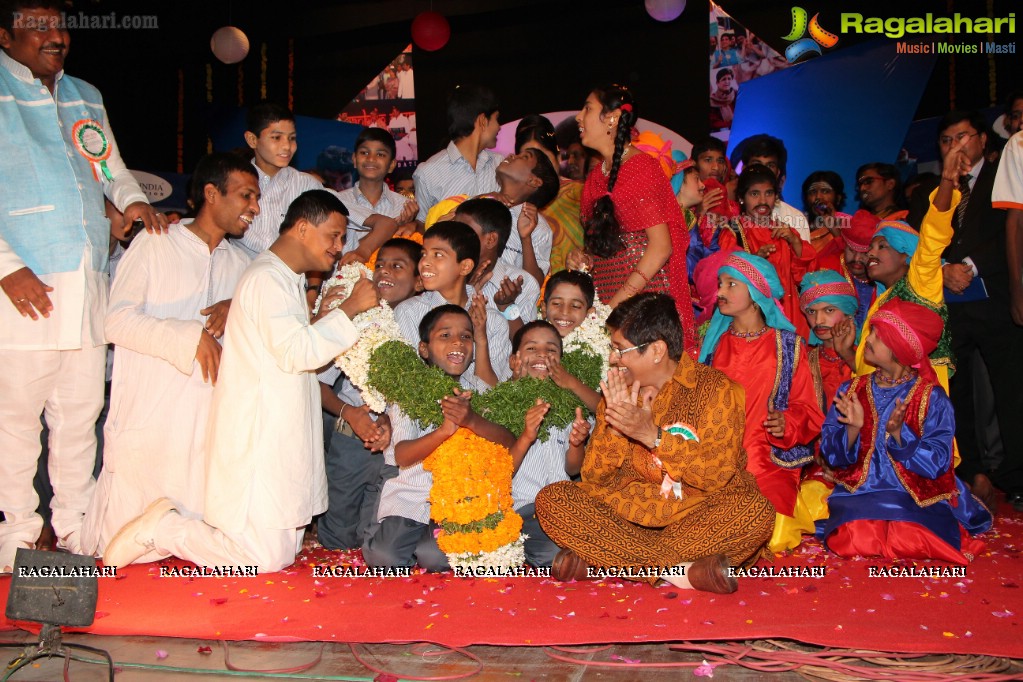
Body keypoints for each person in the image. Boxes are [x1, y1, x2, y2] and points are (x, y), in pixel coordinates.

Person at [103, 190, 379, 572]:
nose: (339, 247)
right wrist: (349, 310)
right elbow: (298, 352)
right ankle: (164, 529)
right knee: (264, 557)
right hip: (260, 436)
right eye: (333, 235)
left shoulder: (286, 278)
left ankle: (169, 528)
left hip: (279, 430)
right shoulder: (268, 278)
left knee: (282, 549)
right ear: (302, 229)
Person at [0, 0, 166, 573]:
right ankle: (17, 537)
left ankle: (75, 532)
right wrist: (6, 266)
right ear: (4, 35)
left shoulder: (83, 94)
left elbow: (110, 170)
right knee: (16, 419)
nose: (55, 37)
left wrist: (134, 202)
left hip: (88, 281)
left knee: (79, 412)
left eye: (59, 26)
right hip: (21, 287)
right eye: (37, 26)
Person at [81, 154, 259, 558]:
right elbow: (116, 322)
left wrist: (240, 307)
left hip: (209, 426)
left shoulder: (243, 266)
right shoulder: (155, 242)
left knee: (192, 545)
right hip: (151, 417)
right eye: (246, 195)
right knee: (122, 554)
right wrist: (188, 337)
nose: (255, 207)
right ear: (211, 194)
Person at [535, 293, 774, 592]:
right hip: (625, 515)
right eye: (612, 348)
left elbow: (716, 476)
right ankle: (683, 573)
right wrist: (618, 430)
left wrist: (653, 436)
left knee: (754, 512)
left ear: (657, 350)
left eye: (620, 349)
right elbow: (594, 477)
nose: (612, 358)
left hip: (694, 516)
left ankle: (609, 560)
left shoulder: (716, 390)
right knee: (553, 498)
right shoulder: (618, 392)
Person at [820, 299, 992, 562]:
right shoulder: (851, 390)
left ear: (898, 348)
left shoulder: (931, 398)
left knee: (909, 536)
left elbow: (937, 464)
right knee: (853, 537)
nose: (868, 338)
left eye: (877, 334)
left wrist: (901, 435)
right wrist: (853, 430)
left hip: (914, 493)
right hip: (862, 491)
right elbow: (832, 457)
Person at [362, 305, 514, 570]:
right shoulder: (410, 391)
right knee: (384, 559)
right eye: (445, 335)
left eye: (466, 336)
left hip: (462, 498)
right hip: (412, 492)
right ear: (424, 349)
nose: (457, 342)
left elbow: (508, 442)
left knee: (436, 557)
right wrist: (445, 431)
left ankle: (424, 545)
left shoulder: (478, 387)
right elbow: (402, 455)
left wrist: (471, 420)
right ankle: (386, 531)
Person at [699, 252, 823, 552]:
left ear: (756, 293)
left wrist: (787, 422)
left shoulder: (788, 345)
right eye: (720, 284)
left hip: (769, 460)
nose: (719, 292)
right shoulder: (713, 345)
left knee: (771, 533)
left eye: (731, 284)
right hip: (718, 461)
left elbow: (809, 410)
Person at [569, 84, 696, 355]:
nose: (579, 117)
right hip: (610, 301)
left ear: (612, 118)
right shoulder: (595, 177)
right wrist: (581, 257)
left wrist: (616, 306)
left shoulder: (641, 167)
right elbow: (604, 246)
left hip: (644, 306)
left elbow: (661, 247)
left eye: (587, 109)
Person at [317, 238, 423, 551]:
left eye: (397, 265)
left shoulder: (423, 324)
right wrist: (349, 413)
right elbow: (319, 382)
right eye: (380, 264)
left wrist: (392, 420)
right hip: (353, 438)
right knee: (339, 538)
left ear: (419, 282)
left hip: (399, 448)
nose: (384, 272)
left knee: (374, 537)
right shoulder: (358, 319)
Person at [507, 321, 591, 567]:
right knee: (553, 552)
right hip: (523, 505)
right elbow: (498, 472)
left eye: (551, 350)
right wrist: (526, 434)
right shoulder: (498, 402)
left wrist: (577, 443)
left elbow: (574, 470)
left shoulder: (571, 404)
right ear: (514, 359)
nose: (542, 354)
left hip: (565, 504)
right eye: (532, 348)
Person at [393, 221, 511, 383]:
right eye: (424, 254)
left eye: (438, 255)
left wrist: (479, 338)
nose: (424, 263)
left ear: (465, 267)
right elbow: (411, 380)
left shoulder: (494, 321)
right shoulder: (409, 311)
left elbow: (494, 392)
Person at [425, 148, 559, 286]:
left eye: (524, 157)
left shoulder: (539, 228)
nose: (512, 155)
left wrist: (526, 238)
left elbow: (534, 284)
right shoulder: (471, 203)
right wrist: (483, 199)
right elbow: (436, 239)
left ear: (534, 181)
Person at [718, 164, 816, 338]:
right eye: (754, 194)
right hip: (754, 318)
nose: (763, 201)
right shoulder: (733, 232)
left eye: (769, 193)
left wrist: (794, 241)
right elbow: (726, 278)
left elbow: (806, 276)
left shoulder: (784, 230)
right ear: (741, 198)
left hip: (791, 312)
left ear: (776, 197)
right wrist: (755, 261)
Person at [236, 102, 323, 258]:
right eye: (276, 137)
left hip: (291, 279)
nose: (286, 146)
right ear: (252, 139)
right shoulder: (233, 183)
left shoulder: (308, 186)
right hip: (241, 277)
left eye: (292, 138)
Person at [413, 85, 502, 221]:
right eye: (497, 119)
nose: (499, 127)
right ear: (483, 121)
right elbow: (421, 226)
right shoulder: (428, 173)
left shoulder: (500, 164)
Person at [454, 197, 539, 337]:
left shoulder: (522, 283)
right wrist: (465, 290)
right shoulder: (447, 272)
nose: (455, 238)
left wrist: (507, 306)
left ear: (491, 240)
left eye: (464, 232)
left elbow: (525, 347)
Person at [337, 128, 418, 263]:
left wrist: (411, 224)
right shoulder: (337, 202)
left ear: (392, 165)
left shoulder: (405, 207)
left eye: (380, 154)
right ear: (354, 159)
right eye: (364, 152)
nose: (371, 159)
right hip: (343, 280)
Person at [516, 114, 584, 275]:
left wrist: (585, 257)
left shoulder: (581, 193)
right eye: (527, 158)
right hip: (527, 294)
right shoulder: (513, 203)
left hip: (575, 291)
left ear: (559, 157)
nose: (538, 165)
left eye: (544, 157)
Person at [735, 134, 811, 242]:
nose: (763, 171)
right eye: (757, 164)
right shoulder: (729, 214)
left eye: (770, 166)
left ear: (778, 173)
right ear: (743, 169)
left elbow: (806, 257)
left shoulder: (794, 217)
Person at [801, 170, 851, 257]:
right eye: (813, 192)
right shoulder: (797, 226)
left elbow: (851, 257)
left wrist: (834, 229)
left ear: (838, 198)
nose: (818, 197)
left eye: (825, 191)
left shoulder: (849, 226)